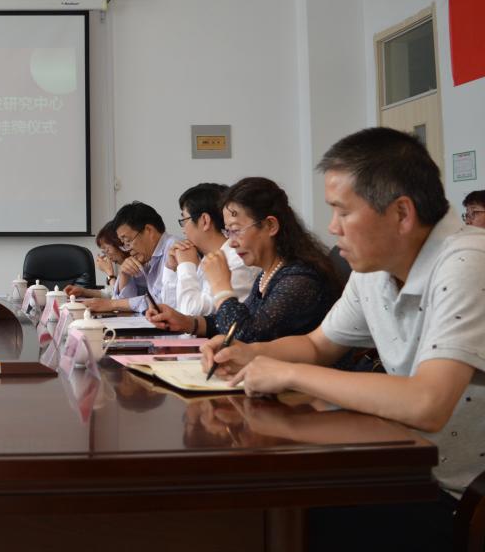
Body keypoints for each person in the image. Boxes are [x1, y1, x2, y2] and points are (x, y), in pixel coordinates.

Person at [204, 128, 485, 551]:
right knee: (260, 507)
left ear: (401, 213)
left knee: (276, 519)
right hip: (403, 465)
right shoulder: (375, 267)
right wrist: (247, 352)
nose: (332, 227)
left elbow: (427, 403)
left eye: (342, 212)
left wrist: (290, 374)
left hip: (460, 497)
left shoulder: (468, 261)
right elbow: (318, 345)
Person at [149, 177, 339, 340]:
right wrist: (188, 323)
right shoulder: (266, 274)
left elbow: (247, 335)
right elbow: (232, 323)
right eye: (228, 231)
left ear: (270, 226)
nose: (231, 243)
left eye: (236, 230)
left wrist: (221, 287)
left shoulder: (299, 279)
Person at [159, 183, 260, 317]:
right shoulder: (207, 258)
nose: (183, 229)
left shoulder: (237, 260)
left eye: (184, 219)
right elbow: (170, 312)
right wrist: (171, 268)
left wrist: (186, 266)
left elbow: (190, 316)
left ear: (205, 221)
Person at [78, 201, 178, 313]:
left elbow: (163, 304)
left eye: (128, 241)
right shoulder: (150, 258)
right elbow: (126, 304)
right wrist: (124, 274)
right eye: (124, 244)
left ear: (149, 231)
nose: (127, 249)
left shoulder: (174, 250)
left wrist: (112, 304)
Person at [65, 221, 129, 299]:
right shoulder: (125, 266)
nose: (108, 257)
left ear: (119, 243)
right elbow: (111, 293)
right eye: (104, 252)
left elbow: (118, 300)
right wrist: (83, 291)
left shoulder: (134, 267)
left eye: (107, 250)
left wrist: (110, 273)